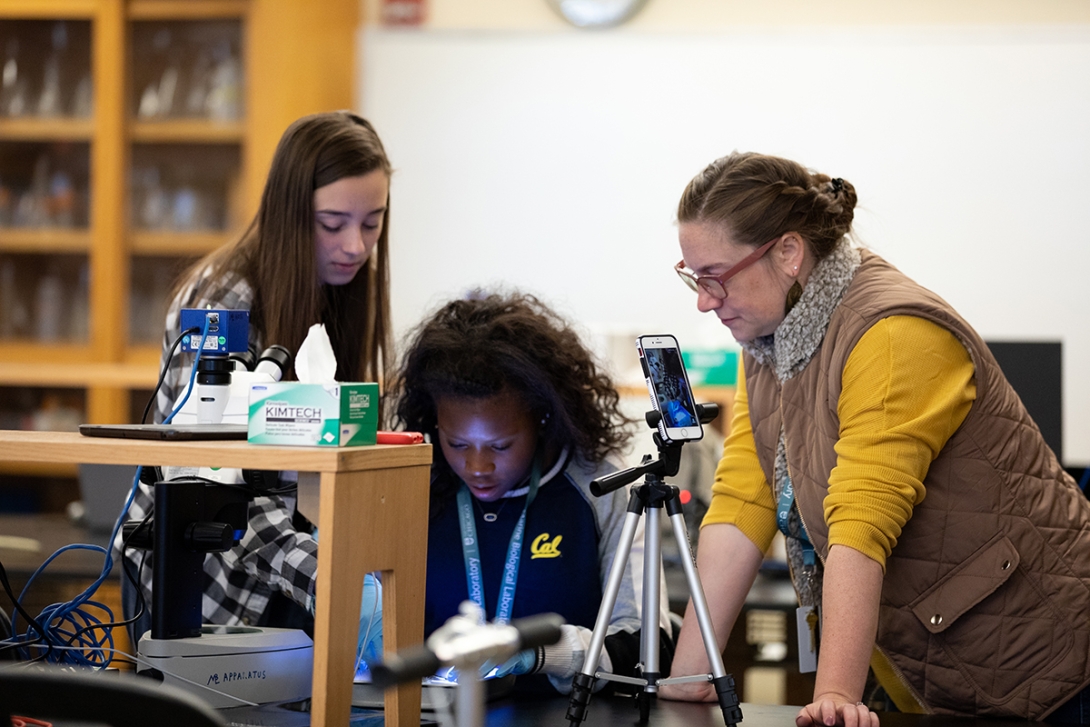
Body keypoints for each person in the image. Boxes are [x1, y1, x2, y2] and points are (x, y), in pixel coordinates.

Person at [659, 151, 1090, 725]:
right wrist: (692, 673)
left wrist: (836, 692)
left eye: (715, 277)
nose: (703, 300)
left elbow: (863, 516)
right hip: (924, 659)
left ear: (788, 253)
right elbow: (746, 495)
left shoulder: (893, 332)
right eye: (692, 276)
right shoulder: (770, 339)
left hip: (1040, 663)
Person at [115, 110, 393, 641]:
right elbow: (207, 479)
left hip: (295, 572)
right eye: (332, 224)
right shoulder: (223, 302)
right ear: (289, 213)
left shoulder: (353, 288)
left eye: (372, 222)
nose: (355, 245)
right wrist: (328, 572)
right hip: (202, 583)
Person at [388, 291, 674, 694]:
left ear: (542, 419)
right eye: (457, 444)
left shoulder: (605, 489)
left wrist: (539, 655)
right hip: (437, 712)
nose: (477, 467)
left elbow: (650, 645)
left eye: (500, 446)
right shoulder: (412, 485)